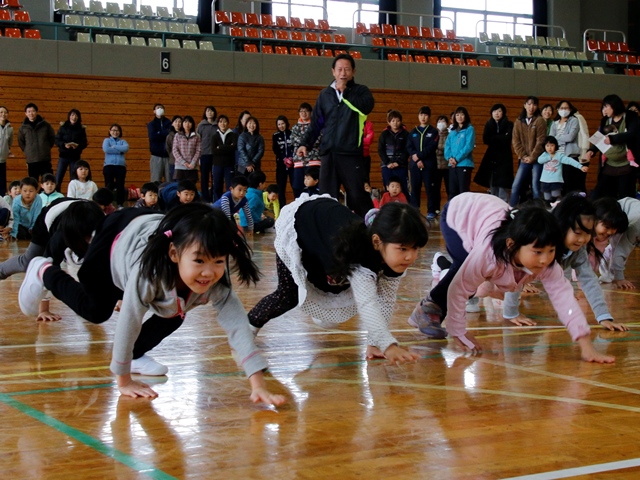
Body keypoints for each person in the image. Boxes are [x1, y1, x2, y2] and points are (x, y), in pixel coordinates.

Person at [18, 204, 286, 405]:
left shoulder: (214, 277)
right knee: (96, 311)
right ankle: (44, 270)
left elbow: (237, 324)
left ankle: (137, 354)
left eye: (218, 261)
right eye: (200, 261)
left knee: (177, 308)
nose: (209, 272)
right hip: (113, 238)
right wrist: (123, 380)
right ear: (174, 254)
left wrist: (258, 382)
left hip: (149, 227)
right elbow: (130, 319)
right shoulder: (149, 273)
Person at [408, 192, 615, 364]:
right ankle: (429, 307)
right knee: (466, 270)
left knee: (482, 282)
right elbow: (458, 289)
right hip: (459, 213)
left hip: (492, 223)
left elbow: (565, 300)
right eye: (538, 252)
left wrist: (586, 345)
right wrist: (459, 332)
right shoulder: (488, 255)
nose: (545, 261)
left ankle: (472, 289)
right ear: (511, 245)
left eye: (551, 251)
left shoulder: (545, 257)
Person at [248, 195, 428, 364]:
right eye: (403, 249)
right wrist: (388, 345)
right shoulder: (358, 255)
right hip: (303, 225)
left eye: (415, 248)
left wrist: (375, 344)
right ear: (376, 241)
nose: (409, 257)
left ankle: (321, 311)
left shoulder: (389, 258)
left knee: (338, 289)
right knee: (289, 294)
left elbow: (385, 299)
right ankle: (247, 329)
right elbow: (368, 303)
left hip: (328, 239)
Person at [501, 194, 628, 332]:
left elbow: (589, 279)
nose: (582, 239)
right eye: (578, 233)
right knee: (483, 286)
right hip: (490, 240)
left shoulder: (578, 250)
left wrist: (604, 316)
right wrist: (511, 313)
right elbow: (517, 271)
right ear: (563, 225)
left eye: (587, 233)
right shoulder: (541, 242)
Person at [296, 54, 375, 217]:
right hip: (329, 153)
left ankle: (371, 228)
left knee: (357, 195)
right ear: (333, 72)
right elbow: (316, 123)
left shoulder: (361, 91)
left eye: (347, 69)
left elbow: (366, 107)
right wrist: (305, 143)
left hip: (350, 153)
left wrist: (345, 93)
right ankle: (329, 231)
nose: (343, 73)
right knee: (327, 196)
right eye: (339, 69)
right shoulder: (325, 95)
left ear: (353, 71)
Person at [0, 199, 104, 319]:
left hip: (80, 213)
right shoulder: (60, 238)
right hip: (47, 220)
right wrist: (44, 310)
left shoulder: (105, 231)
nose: (89, 241)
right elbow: (47, 268)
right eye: (85, 238)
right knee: (27, 262)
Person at [588, 94, 640, 200]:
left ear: (614, 105)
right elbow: (600, 137)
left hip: (626, 165)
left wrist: (612, 139)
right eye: (603, 107)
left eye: (606, 106)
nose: (604, 110)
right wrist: (592, 150)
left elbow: (632, 134)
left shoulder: (631, 116)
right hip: (609, 165)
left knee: (625, 196)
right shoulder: (605, 120)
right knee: (601, 194)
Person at [510, 96, 547, 206]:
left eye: (534, 104)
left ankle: (538, 211)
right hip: (524, 159)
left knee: (535, 186)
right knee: (516, 185)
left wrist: (532, 156)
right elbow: (515, 141)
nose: (531, 107)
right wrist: (523, 155)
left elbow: (541, 141)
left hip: (537, 159)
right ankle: (511, 209)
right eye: (529, 104)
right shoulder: (518, 121)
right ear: (525, 105)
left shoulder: (540, 121)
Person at [474, 103, 513, 203]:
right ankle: (493, 207)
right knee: (493, 184)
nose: (497, 113)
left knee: (503, 184)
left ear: (503, 113)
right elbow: (486, 139)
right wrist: (500, 137)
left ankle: (504, 208)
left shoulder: (509, 124)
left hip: (504, 158)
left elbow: (507, 138)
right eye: (495, 111)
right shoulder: (489, 124)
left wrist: (495, 138)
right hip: (491, 157)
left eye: (499, 111)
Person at [598, 196, 640, 289]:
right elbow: (620, 251)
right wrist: (619, 278)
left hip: (630, 209)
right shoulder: (635, 226)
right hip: (619, 215)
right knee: (618, 247)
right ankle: (607, 271)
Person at [407, 106, 439, 219]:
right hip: (415, 164)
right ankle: (415, 210)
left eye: (425, 115)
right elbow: (409, 146)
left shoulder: (433, 132)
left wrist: (419, 156)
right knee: (415, 187)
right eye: (421, 115)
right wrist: (416, 159)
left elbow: (431, 147)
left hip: (429, 164)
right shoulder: (413, 132)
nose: (423, 117)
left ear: (429, 117)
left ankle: (431, 211)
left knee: (430, 188)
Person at [548, 100, 586, 195]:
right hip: (557, 156)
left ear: (570, 109)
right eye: (561, 108)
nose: (564, 110)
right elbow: (550, 139)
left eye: (566, 108)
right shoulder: (554, 123)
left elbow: (570, 137)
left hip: (569, 156)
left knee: (569, 183)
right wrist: (557, 139)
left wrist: (556, 139)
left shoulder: (574, 120)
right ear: (557, 109)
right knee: (558, 182)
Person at [538, 136, 588, 203]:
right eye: (547, 146)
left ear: (556, 146)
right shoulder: (544, 155)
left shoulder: (559, 155)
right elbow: (539, 160)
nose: (549, 148)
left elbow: (570, 160)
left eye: (552, 145)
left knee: (556, 199)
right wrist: (549, 157)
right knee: (547, 199)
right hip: (545, 181)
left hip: (556, 181)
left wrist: (580, 166)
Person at [290, 102, 321, 198]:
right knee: (297, 186)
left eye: (306, 111)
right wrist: (305, 142)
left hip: (313, 160)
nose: (303, 113)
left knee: (314, 185)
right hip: (299, 161)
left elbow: (318, 139)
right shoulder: (295, 127)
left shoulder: (316, 126)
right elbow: (293, 140)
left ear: (310, 112)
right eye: (301, 111)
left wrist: (305, 145)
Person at [17, 103, 56, 181]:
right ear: (26, 113)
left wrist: (46, 147)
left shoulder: (46, 125)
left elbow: (52, 138)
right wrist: (27, 151)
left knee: (47, 181)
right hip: (31, 160)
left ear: (37, 112)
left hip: (45, 159)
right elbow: (21, 142)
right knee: (33, 182)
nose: (31, 113)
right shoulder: (23, 128)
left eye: (33, 111)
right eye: (29, 111)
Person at [378, 109, 410, 200]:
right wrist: (388, 163)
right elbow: (381, 150)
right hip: (386, 166)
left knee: (402, 187)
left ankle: (404, 208)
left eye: (398, 121)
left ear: (401, 121)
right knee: (388, 188)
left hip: (401, 166)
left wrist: (398, 162)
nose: (395, 123)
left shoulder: (406, 134)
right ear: (389, 122)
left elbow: (407, 150)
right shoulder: (384, 134)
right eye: (393, 121)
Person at [445, 106, 475, 198]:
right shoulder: (452, 131)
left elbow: (468, 146)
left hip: (464, 164)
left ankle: (464, 212)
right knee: (452, 191)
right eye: (457, 115)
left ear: (466, 116)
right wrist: (450, 158)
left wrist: (456, 159)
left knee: (463, 191)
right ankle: (452, 211)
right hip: (452, 165)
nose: (459, 117)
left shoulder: (470, 129)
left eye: (462, 114)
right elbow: (447, 146)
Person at [54, 108, 87, 189]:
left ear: (78, 117)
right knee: (58, 177)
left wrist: (77, 146)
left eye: (76, 115)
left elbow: (84, 143)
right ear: (69, 116)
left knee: (74, 179)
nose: (74, 117)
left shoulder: (81, 129)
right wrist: (64, 145)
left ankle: (72, 197)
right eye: (72, 115)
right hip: (63, 155)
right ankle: (56, 196)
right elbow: (57, 140)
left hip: (75, 157)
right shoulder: (63, 127)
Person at [102, 123, 129, 209]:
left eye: (117, 130)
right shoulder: (107, 140)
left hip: (120, 166)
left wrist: (114, 147)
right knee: (109, 185)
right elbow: (106, 149)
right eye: (113, 130)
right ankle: (108, 203)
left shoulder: (123, 141)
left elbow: (126, 148)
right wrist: (119, 150)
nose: (115, 132)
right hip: (109, 166)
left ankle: (120, 204)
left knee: (120, 186)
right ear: (110, 131)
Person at [211, 114, 237, 202]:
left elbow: (233, 148)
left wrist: (220, 147)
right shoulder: (214, 136)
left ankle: (229, 203)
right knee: (217, 185)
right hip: (217, 165)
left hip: (229, 164)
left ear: (228, 123)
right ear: (218, 123)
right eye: (220, 122)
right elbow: (214, 150)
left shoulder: (233, 135)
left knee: (230, 185)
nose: (223, 124)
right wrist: (227, 147)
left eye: (225, 122)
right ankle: (217, 203)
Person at [196, 105, 218, 202]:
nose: (210, 113)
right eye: (208, 111)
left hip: (215, 155)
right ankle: (205, 198)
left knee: (215, 177)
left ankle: (213, 197)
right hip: (204, 155)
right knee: (204, 178)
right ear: (205, 113)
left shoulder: (218, 125)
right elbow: (197, 140)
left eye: (212, 111)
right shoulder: (201, 126)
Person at [147, 103, 172, 183]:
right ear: (154, 111)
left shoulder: (169, 123)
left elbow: (170, 136)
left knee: (169, 180)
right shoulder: (151, 124)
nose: (160, 109)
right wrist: (164, 133)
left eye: (161, 108)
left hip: (168, 156)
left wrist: (159, 133)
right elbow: (153, 137)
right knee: (156, 180)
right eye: (158, 108)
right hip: (156, 155)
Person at [272, 115, 293, 206]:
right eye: (279, 124)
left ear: (286, 123)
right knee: (281, 188)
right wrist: (284, 159)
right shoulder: (275, 136)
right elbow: (275, 149)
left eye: (283, 123)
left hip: (293, 165)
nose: (281, 126)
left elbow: (295, 147)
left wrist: (291, 158)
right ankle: (282, 208)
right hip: (281, 165)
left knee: (295, 186)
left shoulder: (292, 133)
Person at [172, 115, 201, 184]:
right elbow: (175, 150)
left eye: (189, 122)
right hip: (180, 167)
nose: (187, 124)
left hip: (192, 167)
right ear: (182, 124)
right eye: (185, 122)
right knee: (180, 188)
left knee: (191, 188)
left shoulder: (197, 136)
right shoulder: (177, 135)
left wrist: (193, 163)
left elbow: (198, 151)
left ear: (192, 124)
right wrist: (183, 162)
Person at [0, 105, 14, 197]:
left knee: (1, 184)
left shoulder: (10, 129)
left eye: (5, 112)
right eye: (1, 112)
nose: (3, 114)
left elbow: (9, 143)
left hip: (2, 160)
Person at [165, 115, 182, 181]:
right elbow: (168, 148)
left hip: (182, 163)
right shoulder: (169, 136)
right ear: (172, 123)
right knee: (173, 180)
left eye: (180, 122)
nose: (177, 123)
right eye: (176, 121)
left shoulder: (183, 135)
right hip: (173, 162)